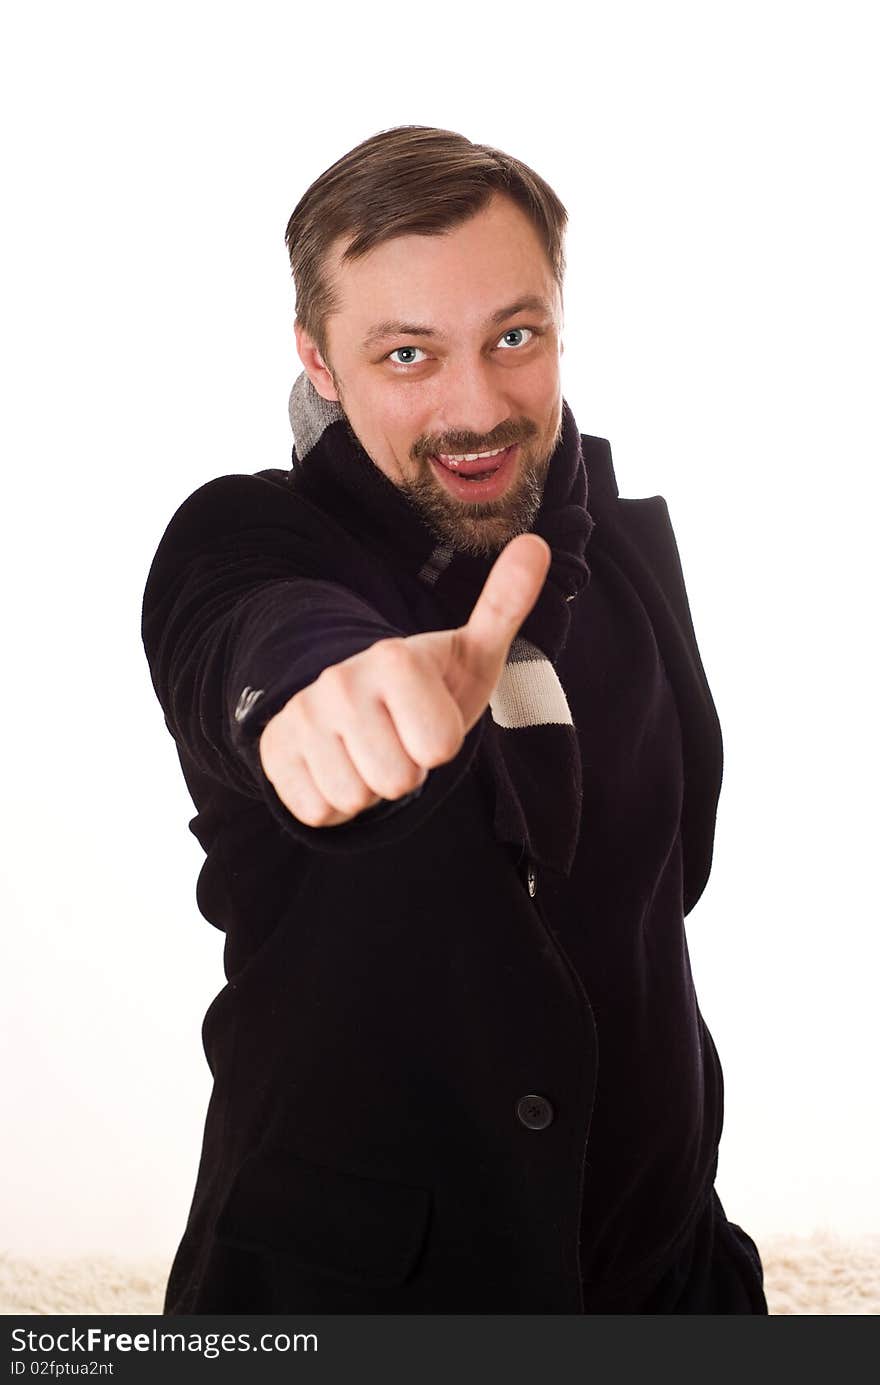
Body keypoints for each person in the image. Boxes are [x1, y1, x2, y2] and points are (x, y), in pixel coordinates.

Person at [141, 124, 768, 1315]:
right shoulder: (248, 543)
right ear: (317, 361)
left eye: (513, 337)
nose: (476, 406)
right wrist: (316, 706)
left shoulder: (627, 554)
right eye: (407, 354)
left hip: (673, 1273)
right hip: (359, 1300)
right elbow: (254, 634)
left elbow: (662, 895)